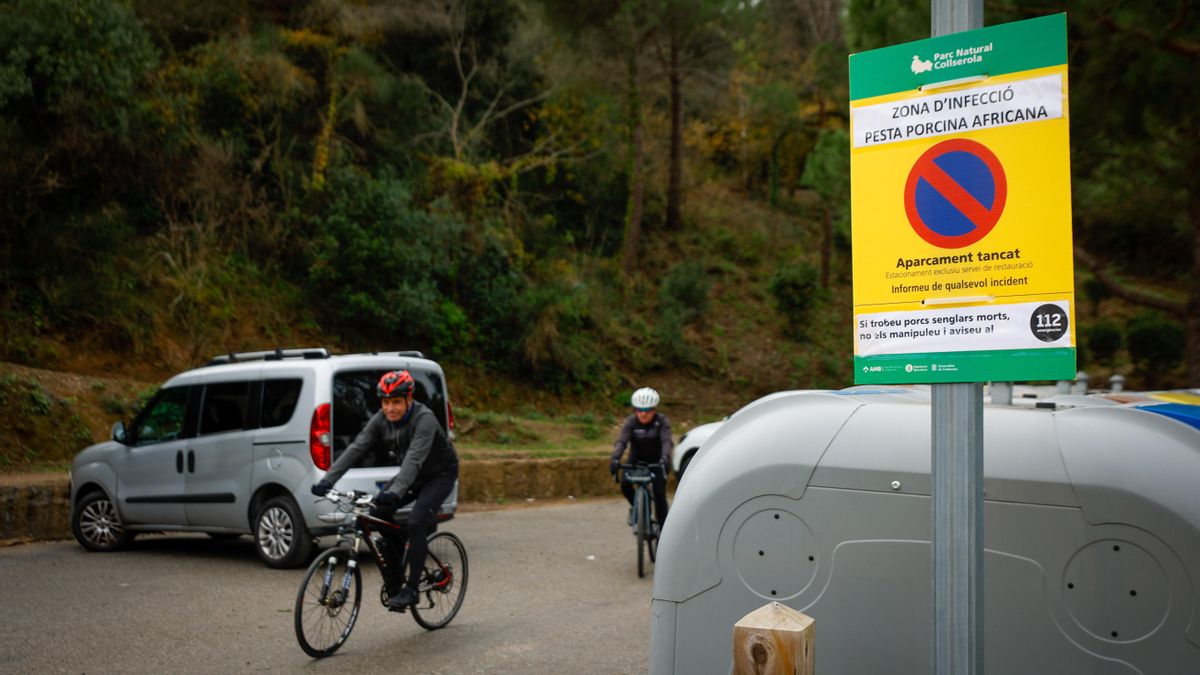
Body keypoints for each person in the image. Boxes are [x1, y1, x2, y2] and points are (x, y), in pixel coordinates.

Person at [311, 370, 459, 609]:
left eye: (397, 402)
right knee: (378, 514)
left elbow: (414, 460)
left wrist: (396, 492)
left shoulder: (425, 418)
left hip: (439, 474)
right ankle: (401, 553)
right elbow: (357, 448)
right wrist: (328, 480)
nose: (391, 408)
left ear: (409, 399)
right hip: (412, 475)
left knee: (417, 521)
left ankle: (412, 590)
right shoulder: (380, 419)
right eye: (386, 402)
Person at [609, 387, 672, 532]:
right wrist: (615, 458)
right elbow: (622, 442)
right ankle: (636, 506)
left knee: (659, 494)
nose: (643, 413)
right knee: (624, 484)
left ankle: (663, 532)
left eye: (648, 410)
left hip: (658, 460)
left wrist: (665, 457)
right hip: (636, 460)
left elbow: (666, 441)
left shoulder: (662, 421)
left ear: (654, 409)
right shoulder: (631, 422)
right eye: (639, 410)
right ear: (635, 410)